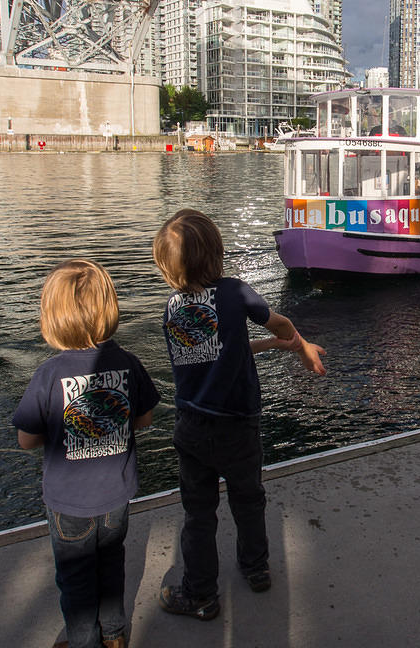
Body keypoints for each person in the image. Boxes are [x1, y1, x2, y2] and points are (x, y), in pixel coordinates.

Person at [153, 209, 325, 621]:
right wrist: (297, 344)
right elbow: (280, 322)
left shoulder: (172, 311)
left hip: (193, 426)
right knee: (249, 500)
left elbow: (217, 354)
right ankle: (256, 568)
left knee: (199, 514)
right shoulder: (235, 292)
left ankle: (200, 595)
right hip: (239, 425)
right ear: (217, 252)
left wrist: (274, 347)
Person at [12, 259, 160, 648]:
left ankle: (83, 641)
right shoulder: (128, 363)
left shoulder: (48, 374)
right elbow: (143, 419)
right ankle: (114, 635)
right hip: (117, 497)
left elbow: (26, 440)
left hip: (68, 504)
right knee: (111, 567)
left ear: (52, 319)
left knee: (75, 580)